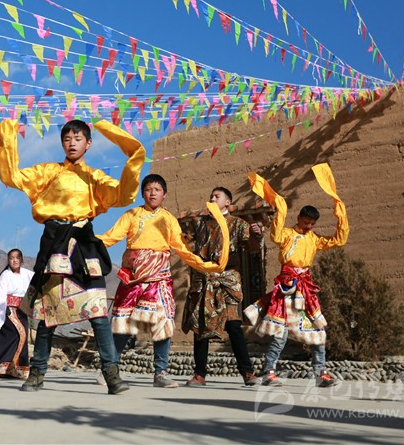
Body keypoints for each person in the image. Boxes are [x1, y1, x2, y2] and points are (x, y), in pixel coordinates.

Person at [0, 117, 145, 394]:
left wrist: (134, 155)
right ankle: (37, 373)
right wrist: (7, 133)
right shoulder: (48, 172)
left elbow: (124, 195)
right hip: (55, 245)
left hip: (84, 247)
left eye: (78, 139)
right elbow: (12, 177)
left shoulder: (95, 177)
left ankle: (112, 374)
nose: (72, 143)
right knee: (48, 315)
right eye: (67, 139)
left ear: (88, 144)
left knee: (98, 314)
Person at [99, 174, 231, 389]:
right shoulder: (131, 215)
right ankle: (110, 368)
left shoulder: (169, 219)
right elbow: (111, 237)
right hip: (133, 277)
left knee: (163, 323)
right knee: (124, 323)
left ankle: (160, 373)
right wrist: (86, 241)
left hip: (159, 277)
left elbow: (181, 248)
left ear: (164, 195)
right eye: (148, 189)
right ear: (143, 194)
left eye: (157, 190)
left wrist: (204, 265)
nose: (152, 193)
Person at [244, 164, 349, 388]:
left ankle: (321, 373)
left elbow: (338, 241)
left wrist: (340, 211)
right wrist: (280, 209)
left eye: (312, 224)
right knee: (280, 333)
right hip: (287, 289)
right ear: (299, 218)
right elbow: (274, 235)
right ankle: (268, 372)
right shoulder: (286, 235)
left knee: (318, 331)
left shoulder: (314, 238)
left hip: (306, 291)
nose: (309, 226)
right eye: (306, 222)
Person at [181, 186, 264, 387]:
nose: (212, 199)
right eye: (211, 196)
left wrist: (257, 234)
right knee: (200, 326)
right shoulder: (200, 223)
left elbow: (252, 246)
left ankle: (247, 372)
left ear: (227, 202)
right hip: (205, 279)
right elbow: (182, 239)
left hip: (228, 281)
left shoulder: (238, 223)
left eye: (217, 196)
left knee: (234, 326)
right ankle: (199, 374)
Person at [0, 248, 35, 379]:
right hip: (8, 310)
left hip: (22, 310)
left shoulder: (27, 274)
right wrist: (4, 309)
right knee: (19, 334)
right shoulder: (5, 275)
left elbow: (37, 281)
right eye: (11, 258)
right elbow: (0, 295)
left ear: (21, 259)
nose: (14, 260)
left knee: (23, 336)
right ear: (8, 260)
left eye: (17, 258)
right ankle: (5, 367)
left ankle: (16, 369)